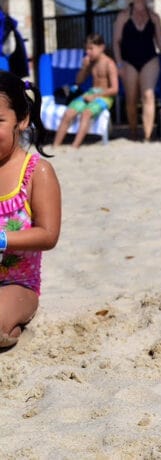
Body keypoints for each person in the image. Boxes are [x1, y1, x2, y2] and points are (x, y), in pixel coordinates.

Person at [0, 71, 61, 349]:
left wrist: (3, 239)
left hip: (18, 285)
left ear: (21, 121)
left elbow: (48, 235)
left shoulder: (37, 172)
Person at [112, 0, 161, 141]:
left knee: (148, 95)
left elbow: (160, 42)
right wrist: (119, 63)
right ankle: (133, 130)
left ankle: (147, 136)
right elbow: (116, 42)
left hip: (150, 59)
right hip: (129, 61)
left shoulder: (154, 17)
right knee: (131, 98)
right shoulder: (123, 15)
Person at [52, 34, 119, 149]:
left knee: (86, 113)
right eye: (86, 49)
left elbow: (114, 89)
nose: (88, 52)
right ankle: (55, 146)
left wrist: (96, 95)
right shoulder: (91, 63)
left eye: (91, 49)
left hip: (104, 96)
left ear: (101, 47)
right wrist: (84, 67)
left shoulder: (109, 64)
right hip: (91, 93)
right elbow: (78, 82)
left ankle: (75, 146)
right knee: (68, 113)